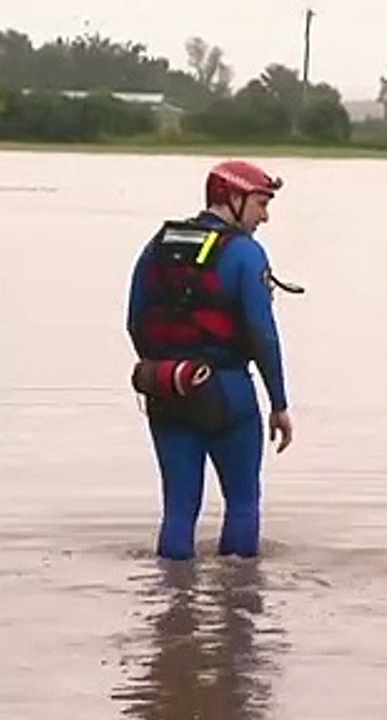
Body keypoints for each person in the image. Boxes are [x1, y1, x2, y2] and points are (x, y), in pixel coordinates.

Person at [126, 160, 295, 561]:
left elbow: (135, 322)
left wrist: (166, 374)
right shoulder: (245, 253)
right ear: (232, 198)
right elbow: (262, 334)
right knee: (242, 501)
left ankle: (172, 608)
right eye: (260, 203)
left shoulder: (158, 244)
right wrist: (279, 403)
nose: (265, 216)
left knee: (179, 509)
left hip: (168, 388)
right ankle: (240, 605)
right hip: (228, 391)